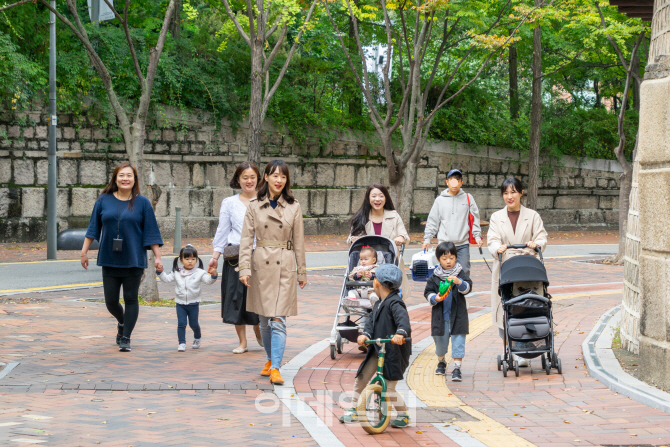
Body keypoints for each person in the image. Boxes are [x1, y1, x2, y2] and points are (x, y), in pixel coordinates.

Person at [81, 162, 163, 352]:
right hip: (109, 257)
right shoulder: (103, 200)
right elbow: (93, 228)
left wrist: (158, 257)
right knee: (110, 301)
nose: (125, 179)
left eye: (129, 176)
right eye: (121, 175)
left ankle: (126, 337)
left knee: (131, 298)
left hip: (133, 258)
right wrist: (84, 252)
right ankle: (121, 322)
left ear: (134, 180)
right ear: (115, 178)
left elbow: (151, 232)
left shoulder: (142, 203)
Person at [238, 159, 307, 385]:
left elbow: (299, 241)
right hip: (261, 264)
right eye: (275, 175)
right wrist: (245, 268)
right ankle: (268, 359)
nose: (279, 180)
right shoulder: (254, 205)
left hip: (284, 265)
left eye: (283, 176)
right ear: (265, 177)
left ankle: (276, 366)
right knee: (264, 320)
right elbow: (246, 240)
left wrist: (302, 272)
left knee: (278, 319)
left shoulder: (294, 206)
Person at [339, 264, 412, 429]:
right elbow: (371, 323)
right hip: (377, 349)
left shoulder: (395, 303)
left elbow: (403, 321)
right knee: (362, 378)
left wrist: (400, 333)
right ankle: (354, 409)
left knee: (388, 389)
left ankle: (403, 415)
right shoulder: (378, 303)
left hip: (394, 352)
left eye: (374, 279)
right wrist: (365, 335)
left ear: (377, 283)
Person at [487, 177, 548, 367]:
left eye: (513, 192)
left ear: (521, 193)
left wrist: (535, 244)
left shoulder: (533, 216)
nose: (509, 196)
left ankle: (529, 346)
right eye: (505, 193)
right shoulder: (497, 217)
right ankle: (511, 351)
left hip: (528, 266)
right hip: (505, 265)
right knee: (506, 307)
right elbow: (492, 239)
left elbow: (541, 236)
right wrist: (497, 247)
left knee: (529, 305)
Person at [209, 161, 262, 354]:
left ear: (258, 179)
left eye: (252, 177)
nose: (249, 181)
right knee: (235, 298)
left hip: (260, 256)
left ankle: (258, 326)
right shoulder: (229, 203)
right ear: (238, 180)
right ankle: (242, 342)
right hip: (236, 256)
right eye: (245, 177)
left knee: (259, 297)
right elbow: (222, 231)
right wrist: (215, 256)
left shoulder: (265, 201)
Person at [347, 183, 410, 294]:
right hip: (366, 266)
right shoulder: (361, 217)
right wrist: (353, 239)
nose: (377, 199)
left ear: (386, 198)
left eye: (381, 196)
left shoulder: (394, 216)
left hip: (389, 262)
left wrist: (401, 237)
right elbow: (350, 239)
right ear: (368, 198)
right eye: (374, 196)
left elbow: (405, 236)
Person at [424, 242, 472, 382]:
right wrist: (435, 298)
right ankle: (441, 362)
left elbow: (468, 288)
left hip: (458, 316)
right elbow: (428, 292)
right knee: (440, 341)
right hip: (441, 317)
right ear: (438, 260)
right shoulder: (435, 276)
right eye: (444, 259)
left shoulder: (459, 273)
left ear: (456, 258)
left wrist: (459, 282)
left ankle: (457, 368)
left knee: (458, 341)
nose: (448, 261)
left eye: (451, 258)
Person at [422, 168, 482, 277]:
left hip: (462, 244)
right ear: (447, 182)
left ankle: (460, 293)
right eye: (452, 180)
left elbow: (475, 219)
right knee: (444, 274)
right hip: (444, 244)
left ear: (461, 183)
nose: (454, 183)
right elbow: (433, 220)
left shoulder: (468, 198)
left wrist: (477, 236)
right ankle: (446, 294)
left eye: (457, 180)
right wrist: (427, 238)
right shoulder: (440, 200)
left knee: (464, 272)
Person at [158, 245, 218, 351]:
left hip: (193, 303)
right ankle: (182, 343)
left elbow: (208, 281)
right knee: (181, 324)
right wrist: (160, 272)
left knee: (193, 324)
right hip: (180, 303)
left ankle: (197, 337)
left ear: (197, 259)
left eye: (193, 259)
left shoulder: (200, 272)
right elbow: (166, 279)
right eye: (187, 259)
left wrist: (213, 275)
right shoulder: (177, 272)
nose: (190, 261)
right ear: (181, 260)